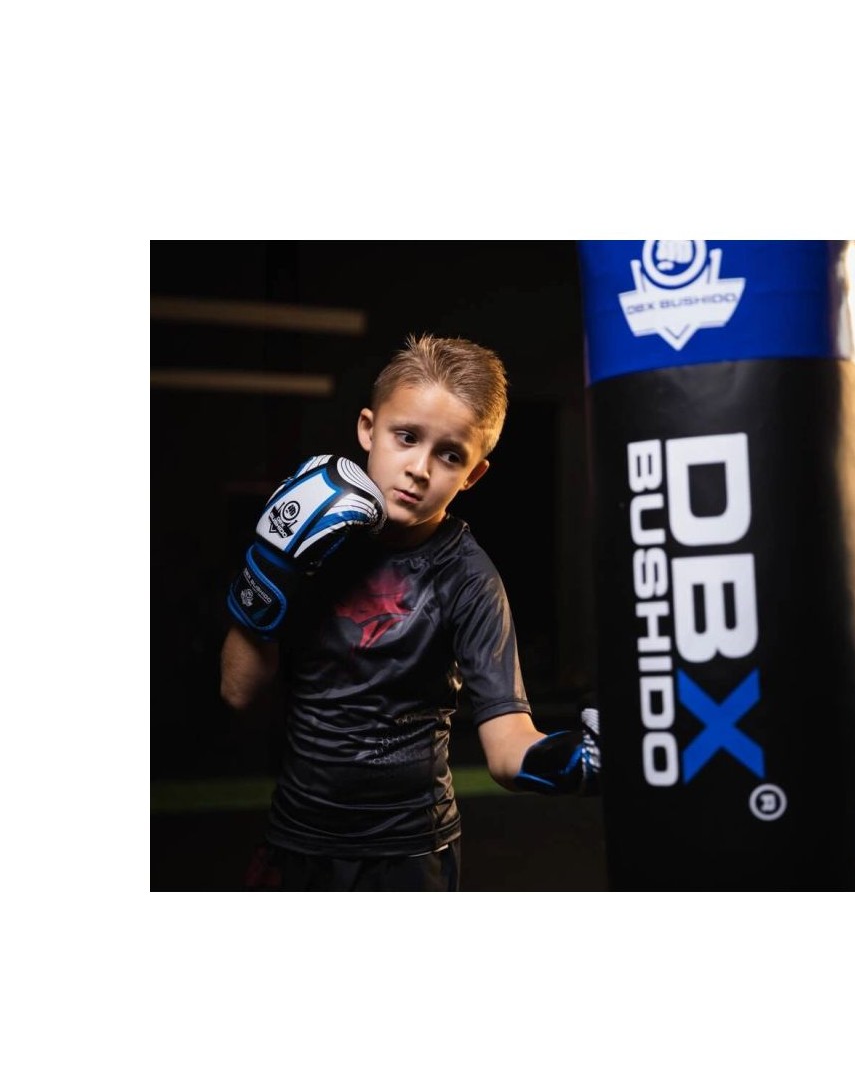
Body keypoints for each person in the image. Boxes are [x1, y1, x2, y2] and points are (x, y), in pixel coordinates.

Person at [220, 332, 599, 890]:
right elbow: (237, 692)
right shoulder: (312, 539)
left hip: (408, 853)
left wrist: (576, 761)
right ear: (367, 430)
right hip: (296, 838)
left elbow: (506, 749)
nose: (419, 468)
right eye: (406, 437)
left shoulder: (468, 578)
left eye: (449, 455)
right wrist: (269, 569)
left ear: (473, 475)